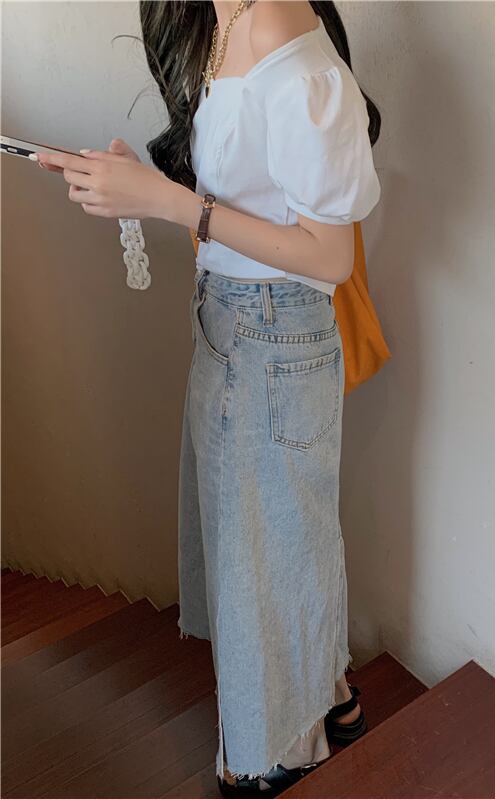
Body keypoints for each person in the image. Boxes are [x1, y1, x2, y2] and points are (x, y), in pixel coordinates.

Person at [34, 1, 381, 795]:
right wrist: (138, 185)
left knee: (264, 557)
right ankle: (330, 696)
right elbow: (245, 199)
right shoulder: (219, 22)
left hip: (271, 335)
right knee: (276, 542)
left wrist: (165, 201)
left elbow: (329, 256)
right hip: (231, 324)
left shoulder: (276, 28)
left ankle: (276, 759)